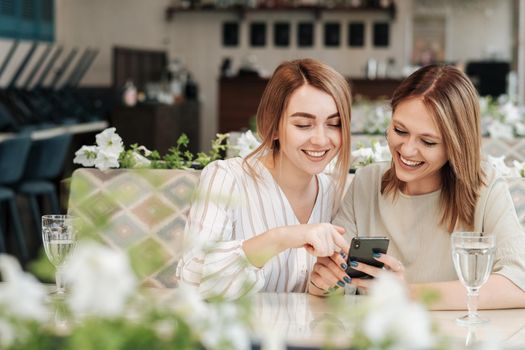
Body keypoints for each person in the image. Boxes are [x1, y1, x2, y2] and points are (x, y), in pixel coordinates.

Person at [309, 64, 525, 309]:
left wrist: (408, 293)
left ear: (456, 145)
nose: (408, 150)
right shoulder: (367, 182)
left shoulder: (484, 188)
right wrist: (322, 283)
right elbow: (337, 283)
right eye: (400, 130)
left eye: (428, 141)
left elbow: (519, 285)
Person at [176, 58, 352, 300]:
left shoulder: (333, 191)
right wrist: (281, 237)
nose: (321, 140)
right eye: (303, 124)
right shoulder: (226, 178)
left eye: (334, 124)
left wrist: (324, 286)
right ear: (274, 125)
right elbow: (191, 279)